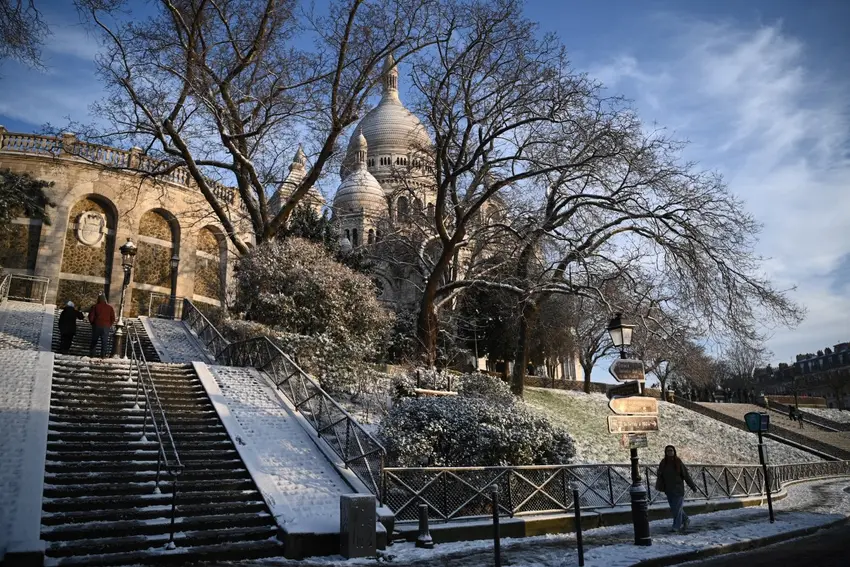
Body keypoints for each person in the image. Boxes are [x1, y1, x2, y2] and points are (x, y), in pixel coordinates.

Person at [655, 445, 698, 533]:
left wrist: (693, 486)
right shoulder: (663, 463)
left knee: (677, 508)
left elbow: (686, 476)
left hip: (678, 489)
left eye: (671, 451)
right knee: (675, 508)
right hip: (668, 489)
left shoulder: (678, 462)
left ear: (674, 452)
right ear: (665, 452)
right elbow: (660, 475)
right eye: (668, 451)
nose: (670, 452)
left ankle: (676, 526)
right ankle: (686, 519)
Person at [88, 293, 116, 358]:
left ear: (99, 300)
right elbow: (113, 318)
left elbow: (91, 316)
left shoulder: (95, 306)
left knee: (94, 340)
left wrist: (93, 323)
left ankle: (92, 354)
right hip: (106, 326)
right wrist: (109, 324)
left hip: (97, 325)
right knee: (104, 341)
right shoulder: (110, 308)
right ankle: (103, 355)